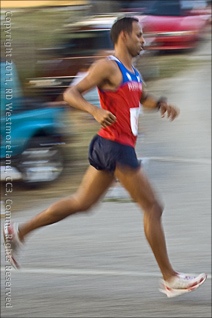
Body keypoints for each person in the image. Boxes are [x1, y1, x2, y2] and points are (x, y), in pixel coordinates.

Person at [3, 16, 207, 298]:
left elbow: (141, 97)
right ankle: (169, 277)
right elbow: (70, 93)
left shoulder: (132, 72)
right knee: (153, 207)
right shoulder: (107, 67)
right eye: (138, 35)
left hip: (112, 146)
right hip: (115, 146)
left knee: (81, 203)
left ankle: (18, 231)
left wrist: (160, 103)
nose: (143, 40)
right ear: (123, 36)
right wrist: (95, 111)